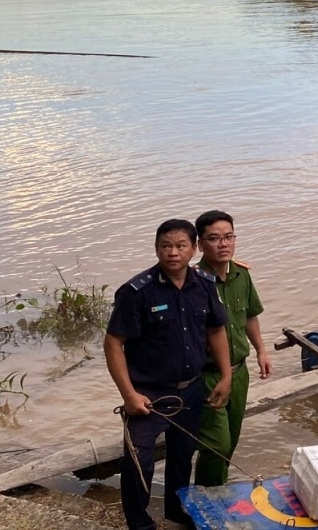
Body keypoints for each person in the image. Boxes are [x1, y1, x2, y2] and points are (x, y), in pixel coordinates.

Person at [105, 219, 231, 530]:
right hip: (147, 394)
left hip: (191, 390)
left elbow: (216, 330)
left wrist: (226, 376)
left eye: (180, 246)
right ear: (157, 248)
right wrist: (129, 394)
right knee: (139, 462)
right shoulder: (138, 291)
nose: (173, 253)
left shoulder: (204, 284)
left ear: (194, 248)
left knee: (182, 456)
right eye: (165, 246)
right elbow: (113, 343)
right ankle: (139, 521)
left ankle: (177, 512)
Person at [193, 210, 272, 487]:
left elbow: (249, 315)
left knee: (232, 439)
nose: (223, 244)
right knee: (217, 443)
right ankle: (207, 496)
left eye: (228, 237)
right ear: (200, 245)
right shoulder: (192, 283)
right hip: (208, 375)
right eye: (214, 238)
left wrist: (261, 350)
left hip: (240, 373)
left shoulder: (241, 274)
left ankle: (217, 490)